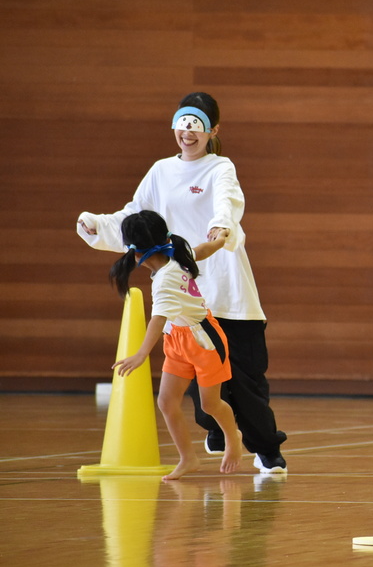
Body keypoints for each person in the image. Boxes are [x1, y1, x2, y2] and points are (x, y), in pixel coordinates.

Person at [77, 92, 287, 473]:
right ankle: (218, 432)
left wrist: (221, 228)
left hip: (227, 289)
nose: (188, 133)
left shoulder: (221, 167)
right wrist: (98, 225)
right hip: (184, 295)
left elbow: (227, 205)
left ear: (212, 131)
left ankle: (267, 450)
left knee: (247, 379)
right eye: (182, 123)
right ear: (175, 125)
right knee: (198, 385)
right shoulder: (160, 171)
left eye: (197, 125)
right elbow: (133, 216)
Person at [109, 210, 242, 481]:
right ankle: (187, 458)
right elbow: (202, 250)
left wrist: (141, 354)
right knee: (167, 402)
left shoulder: (165, 280)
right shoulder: (177, 251)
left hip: (204, 341)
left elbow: (156, 320)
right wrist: (220, 240)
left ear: (136, 253)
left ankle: (233, 437)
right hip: (178, 338)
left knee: (210, 405)